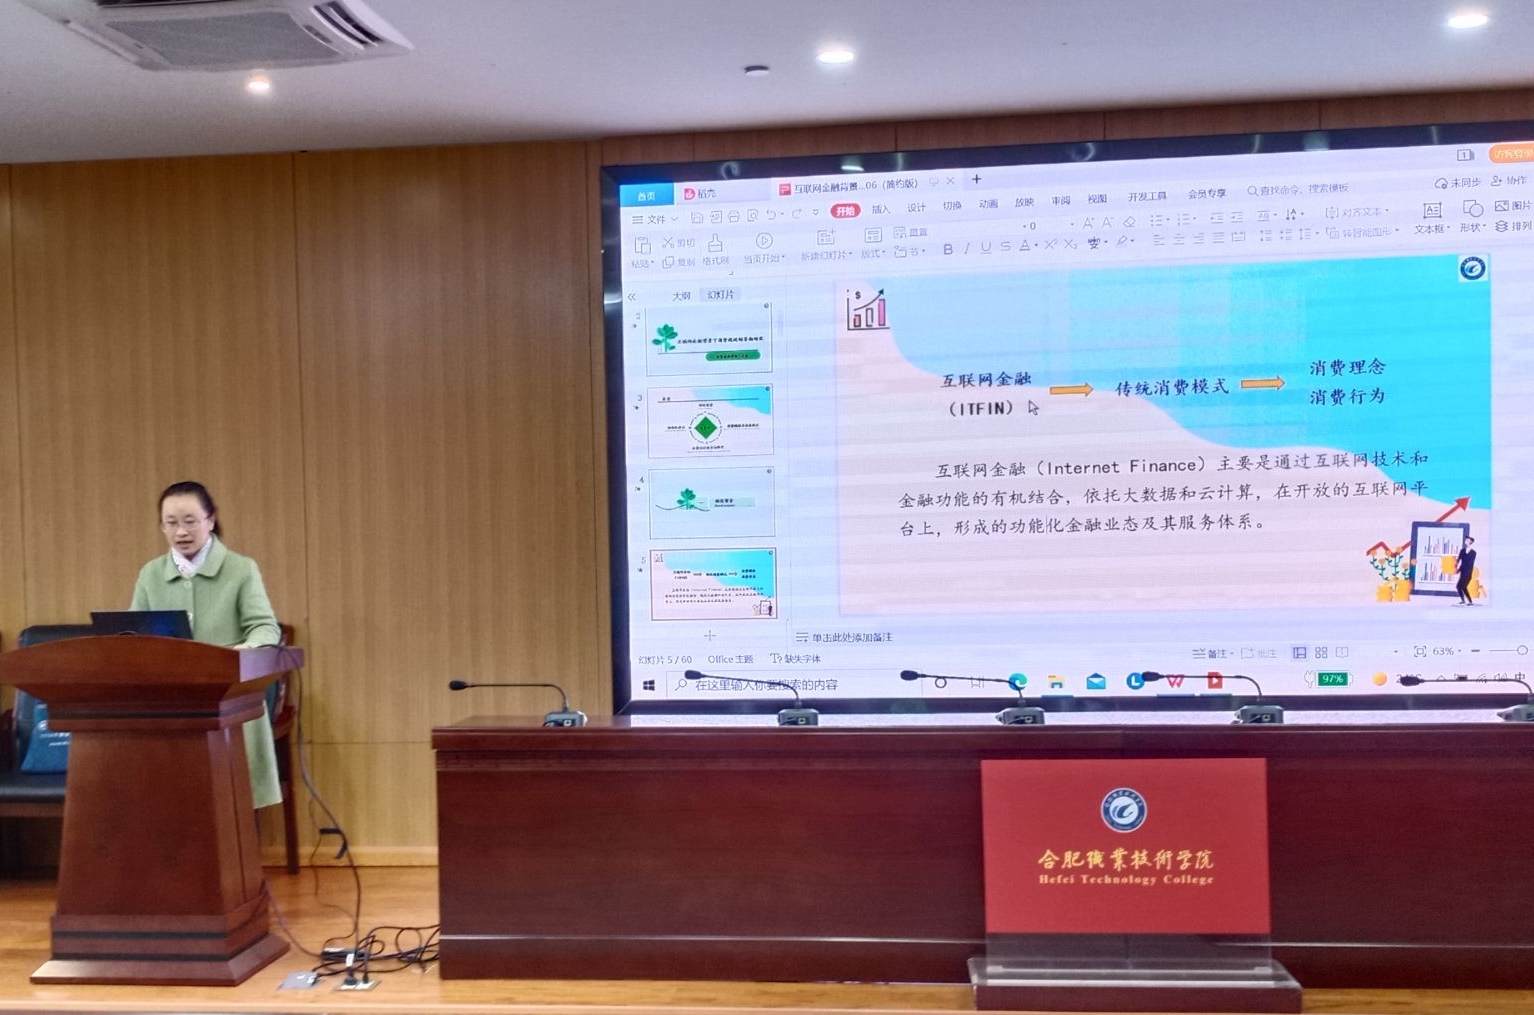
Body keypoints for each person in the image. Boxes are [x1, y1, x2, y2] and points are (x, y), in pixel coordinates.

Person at [131, 481, 283, 808]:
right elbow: (132, 636)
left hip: (231, 699)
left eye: (190, 521)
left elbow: (265, 627)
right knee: (173, 805)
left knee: (232, 804)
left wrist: (244, 650)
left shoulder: (241, 569)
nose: (180, 532)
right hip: (171, 703)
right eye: (171, 523)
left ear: (211, 520)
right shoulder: (150, 574)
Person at [1455, 535, 1477, 606]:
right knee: (1459, 586)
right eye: (1466, 539)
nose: (1466, 540)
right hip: (1463, 572)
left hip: (1468, 573)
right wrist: (1455, 566)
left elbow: (1468, 563)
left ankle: (1470, 601)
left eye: (1468, 540)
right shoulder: (1462, 551)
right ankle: (1464, 601)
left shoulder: (1473, 553)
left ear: (1471, 542)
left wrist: (1459, 569)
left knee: (1463, 586)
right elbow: (1458, 560)